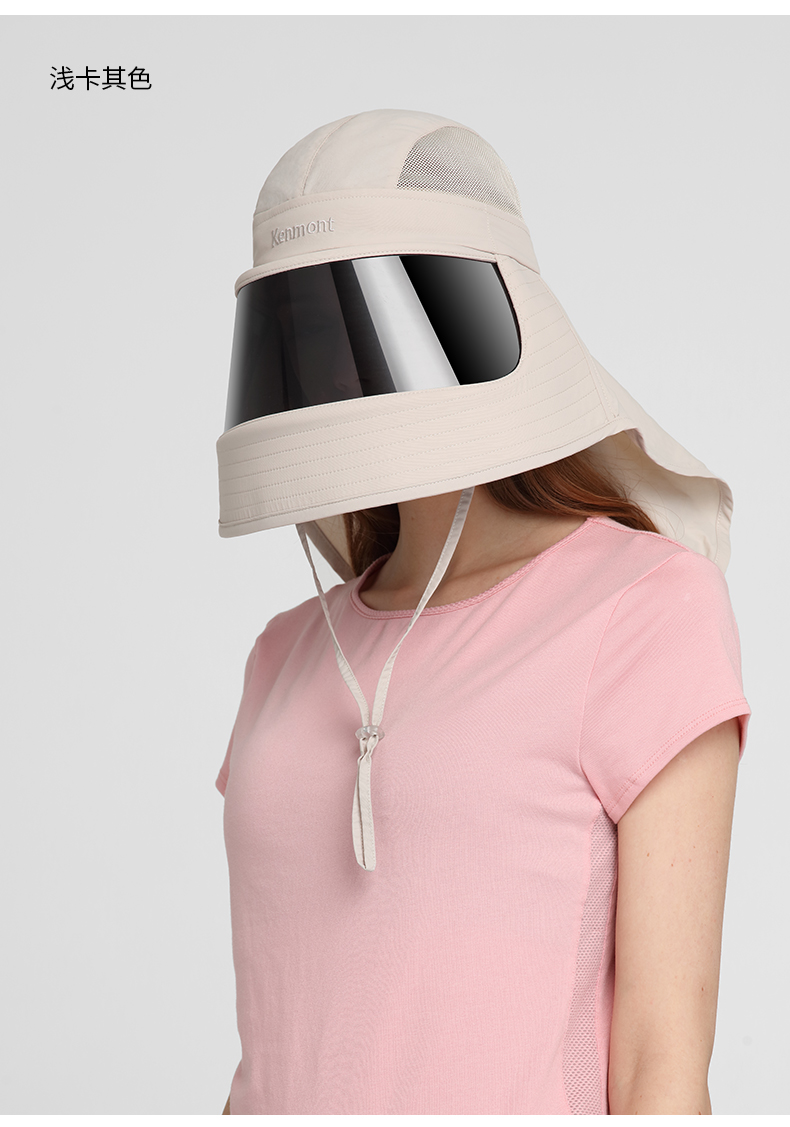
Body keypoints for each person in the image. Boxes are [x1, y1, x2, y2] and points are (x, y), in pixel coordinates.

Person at [214, 109, 750, 1115]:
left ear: (470, 314)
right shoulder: (282, 652)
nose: (343, 356)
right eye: (310, 326)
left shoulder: (642, 606)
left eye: (373, 310)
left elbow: (662, 1068)